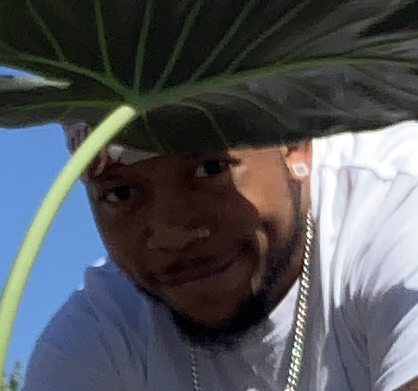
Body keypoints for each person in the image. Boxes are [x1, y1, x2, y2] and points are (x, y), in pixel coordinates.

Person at [22, 120, 418, 391]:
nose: (172, 234)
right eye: (121, 193)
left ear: (294, 142)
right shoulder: (97, 341)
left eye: (209, 168)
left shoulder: (399, 206)